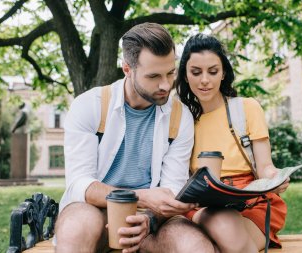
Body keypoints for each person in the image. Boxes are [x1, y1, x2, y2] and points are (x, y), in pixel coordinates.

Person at [55, 23, 217, 253]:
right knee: (75, 228)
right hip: (97, 212)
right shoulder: (89, 105)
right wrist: (139, 197)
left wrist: (150, 219)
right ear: (127, 69)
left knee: (195, 246)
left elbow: (172, 188)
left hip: (153, 219)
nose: (166, 85)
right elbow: (80, 185)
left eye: (171, 73)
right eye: (153, 76)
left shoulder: (180, 117)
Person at [176, 34, 289, 253]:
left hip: (250, 201)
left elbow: (265, 166)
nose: (205, 80)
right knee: (221, 223)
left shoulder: (246, 108)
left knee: (225, 238)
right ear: (186, 76)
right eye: (196, 72)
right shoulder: (182, 121)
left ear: (224, 73)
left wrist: (275, 177)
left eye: (213, 71)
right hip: (204, 205)